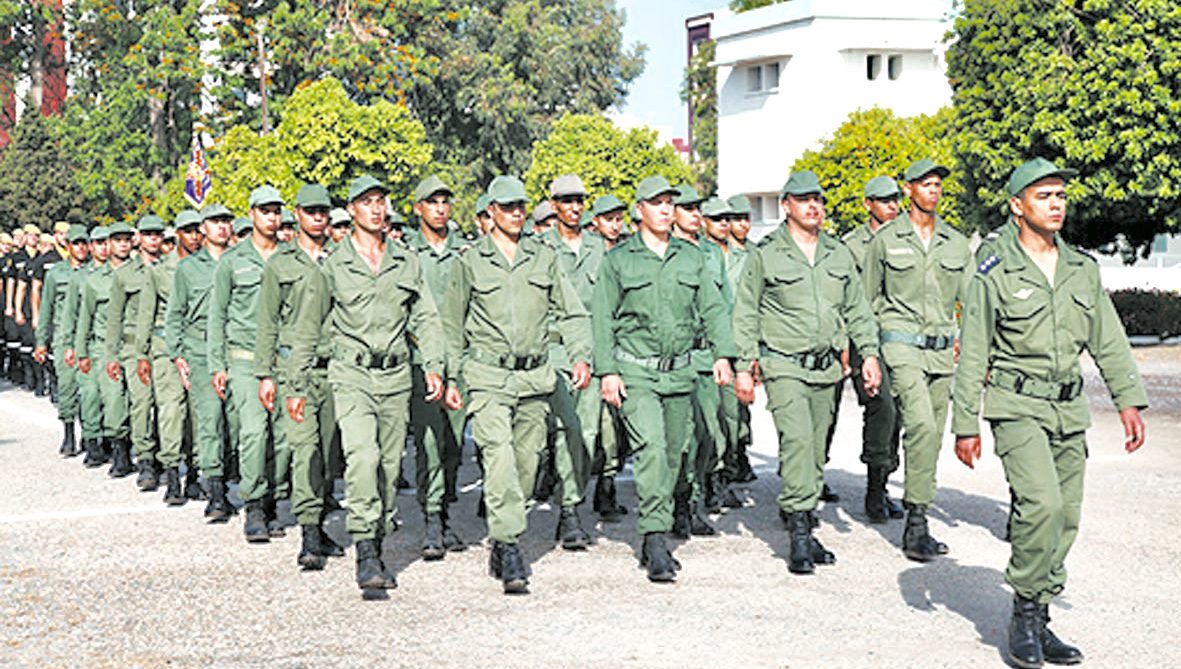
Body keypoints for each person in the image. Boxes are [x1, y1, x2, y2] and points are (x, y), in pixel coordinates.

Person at [952, 158, 1146, 668]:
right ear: (1017, 206)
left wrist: (1128, 399)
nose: (1056, 204)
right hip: (1016, 405)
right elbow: (974, 347)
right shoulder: (994, 268)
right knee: (1041, 506)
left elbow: (1108, 338)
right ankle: (1024, 613)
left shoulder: (1082, 267)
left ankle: (1038, 610)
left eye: (1060, 195)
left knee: (1067, 517)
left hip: (1067, 407)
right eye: (1043, 196)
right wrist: (966, 423)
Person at [288, 174, 445, 593]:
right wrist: (296, 386)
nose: (376, 209)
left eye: (381, 201)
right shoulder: (332, 267)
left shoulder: (406, 262)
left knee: (389, 468)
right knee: (363, 457)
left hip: (396, 375)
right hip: (351, 375)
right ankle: (366, 553)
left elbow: (426, 316)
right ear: (352, 210)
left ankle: (377, 533)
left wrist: (434, 363)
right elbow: (307, 329)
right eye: (367, 202)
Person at [440, 174, 591, 594]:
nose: (516, 214)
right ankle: (509, 545)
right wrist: (451, 375)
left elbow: (573, 311)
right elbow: (451, 325)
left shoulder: (542, 257)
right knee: (500, 458)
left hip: (535, 376)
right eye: (507, 207)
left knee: (526, 463)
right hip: (488, 377)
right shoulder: (469, 262)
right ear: (490, 212)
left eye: (521, 206)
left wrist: (580, 354)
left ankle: (503, 527)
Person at [732, 170, 881, 575]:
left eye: (818, 199)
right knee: (797, 442)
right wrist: (744, 366)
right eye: (803, 200)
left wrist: (868, 354)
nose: (813, 206)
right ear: (787, 206)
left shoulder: (837, 254)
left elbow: (857, 309)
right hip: (784, 365)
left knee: (816, 450)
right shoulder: (765, 255)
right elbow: (745, 312)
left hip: (827, 368)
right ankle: (799, 532)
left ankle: (805, 518)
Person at [592, 175, 734, 583]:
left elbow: (712, 309)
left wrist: (724, 354)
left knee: (676, 453)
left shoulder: (691, 258)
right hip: (636, 370)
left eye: (670, 202)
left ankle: (663, 513)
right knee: (651, 448)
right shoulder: (619, 261)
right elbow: (601, 317)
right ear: (640, 210)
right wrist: (608, 371)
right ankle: (654, 537)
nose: (666, 210)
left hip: (681, 371)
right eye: (657, 203)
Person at [862, 158, 972, 561]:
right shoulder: (886, 240)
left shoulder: (956, 243)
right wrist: (868, 353)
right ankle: (916, 522)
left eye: (938, 185)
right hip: (900, 345)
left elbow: (972, 302)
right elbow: (866, 300)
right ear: (909, 189)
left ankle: (918, 511)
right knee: (921, 426)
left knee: (932, 434)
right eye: (925, 184)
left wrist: (975, 348)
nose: (934, 191)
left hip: (942, 351)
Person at [255, 183, 345, 570]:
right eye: (310, 212)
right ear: (298, 214)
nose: (318, 217)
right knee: (304, 449)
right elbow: (267, 321)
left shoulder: (342, 260)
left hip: (338, 367)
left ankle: (320, 522)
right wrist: (264, 373)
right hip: (296, 369)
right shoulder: (280, 263)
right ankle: (308, 532)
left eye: (323, 211)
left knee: (328, 454)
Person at [209, 186, 287, 542]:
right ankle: (254, 504)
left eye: (276, 211)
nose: (272, 217)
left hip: (285, 358)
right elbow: (217, 314)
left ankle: (273, 499)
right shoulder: (233, 261)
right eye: (265, 211)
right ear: (252, 214)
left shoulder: (291, 258)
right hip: (243, 360)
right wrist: (217, 364)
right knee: (253, 432)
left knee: (284, 437)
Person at [538, 173, 609, 548]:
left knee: (586, 434)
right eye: (566, 201)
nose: (574, 207)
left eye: (579, 200)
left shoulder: (600, 248)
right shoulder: (539, 248)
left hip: (591, 354)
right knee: (550, 434)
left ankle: (571, 506)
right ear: (554, 206)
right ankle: (560, 506)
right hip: (552, 352)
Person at [402, 174, 468, 558]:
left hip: (460, 358)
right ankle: (430, 520)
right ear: (419, 208)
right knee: (429, 443)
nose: (441, 208)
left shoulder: (466, 252)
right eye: (433, 202)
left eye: (445, 201)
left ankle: (443, 513)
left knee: (455, 446)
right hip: (420, 359)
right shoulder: (406, 254)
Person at [840, 176, 904, 523]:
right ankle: (874, 491)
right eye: (883, 200)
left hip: (903, 341)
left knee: (900, 416)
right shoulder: (851, 246)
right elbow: (843, 299)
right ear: (868, 204)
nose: (892, 205)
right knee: (882, 409)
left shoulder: (907, 239)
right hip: (867, 341)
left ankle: (883, 481)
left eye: (895, 199)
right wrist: (844, 346)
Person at [167, 204, 236, 521]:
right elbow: (175, 315)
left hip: (238, 349)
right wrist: (178, 355)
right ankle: (217, 493)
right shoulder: (187, 268)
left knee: (238, 425)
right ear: (203, 228)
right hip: (200, 351)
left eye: (226, 221)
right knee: (209, 423)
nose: (222, 227)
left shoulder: (243, 262)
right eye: (215, 222)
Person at [670, 183, 728, 535]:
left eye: (697, 209)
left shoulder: (712, 253)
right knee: (684, 436)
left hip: (708, 355)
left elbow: (725, 305)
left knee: (710, 433)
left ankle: (693, 491)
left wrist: (730, 354)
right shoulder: (666, 252)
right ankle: (683, 504)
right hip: (677, 354)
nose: (695, 214)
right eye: (687, 208)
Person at [136, 211, 202, 505]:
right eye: (188, 231)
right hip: (164, 347)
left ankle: (197, 475)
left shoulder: (209, 267)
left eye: (198, 231)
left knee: (199, 415)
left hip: (199, 345)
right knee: (171, 411)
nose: (194, 236)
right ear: (178, 236)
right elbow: (145, 314)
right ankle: (173, 473)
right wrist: (141, 353)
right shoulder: (159, 271)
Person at [106, 215, 166, 491]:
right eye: (148, 234)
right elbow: (114, 317)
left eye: (158, 233)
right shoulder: (124, 275)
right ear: (138, 238)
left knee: (168, 406)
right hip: (132, 347)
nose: (153, 238)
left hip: (164, 345)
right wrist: (111, 355)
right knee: (141, 403)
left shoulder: (172, 269)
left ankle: (169, 458)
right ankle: (145, 460)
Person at [76, 222, 134, 476]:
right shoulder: (94, 281)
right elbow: (84, 319)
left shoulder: (141, 273)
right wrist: (81, 352)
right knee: (113, 400)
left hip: (136, 345)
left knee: (142, 403)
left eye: (126, 239)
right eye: (117, 239)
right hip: (104, 348)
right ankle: (119, 450)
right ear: (108, 244)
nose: (122, 244)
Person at [34, 224, 90, 455]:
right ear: (68, 246)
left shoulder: (95, 270)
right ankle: (68, 434)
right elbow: (45, 308)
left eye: (84, 243)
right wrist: (41, 341)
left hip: (88, 336)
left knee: (89, 390)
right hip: (63, 337)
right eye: (76, 243)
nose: (81, 248)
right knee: (67, 387)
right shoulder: (56, 273)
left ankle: (90, 435)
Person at [64, 226, 109, 463]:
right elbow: (70, 315)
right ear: (91, 246)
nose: (103, 247)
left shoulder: (119, 273)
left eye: (105, 242)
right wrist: (71, 346)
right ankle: (92, 441)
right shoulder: (79, 277)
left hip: (113, 345)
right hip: (89, 343)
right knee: (90, 393)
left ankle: (112, 441)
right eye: (98, 243)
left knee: (112, 397)